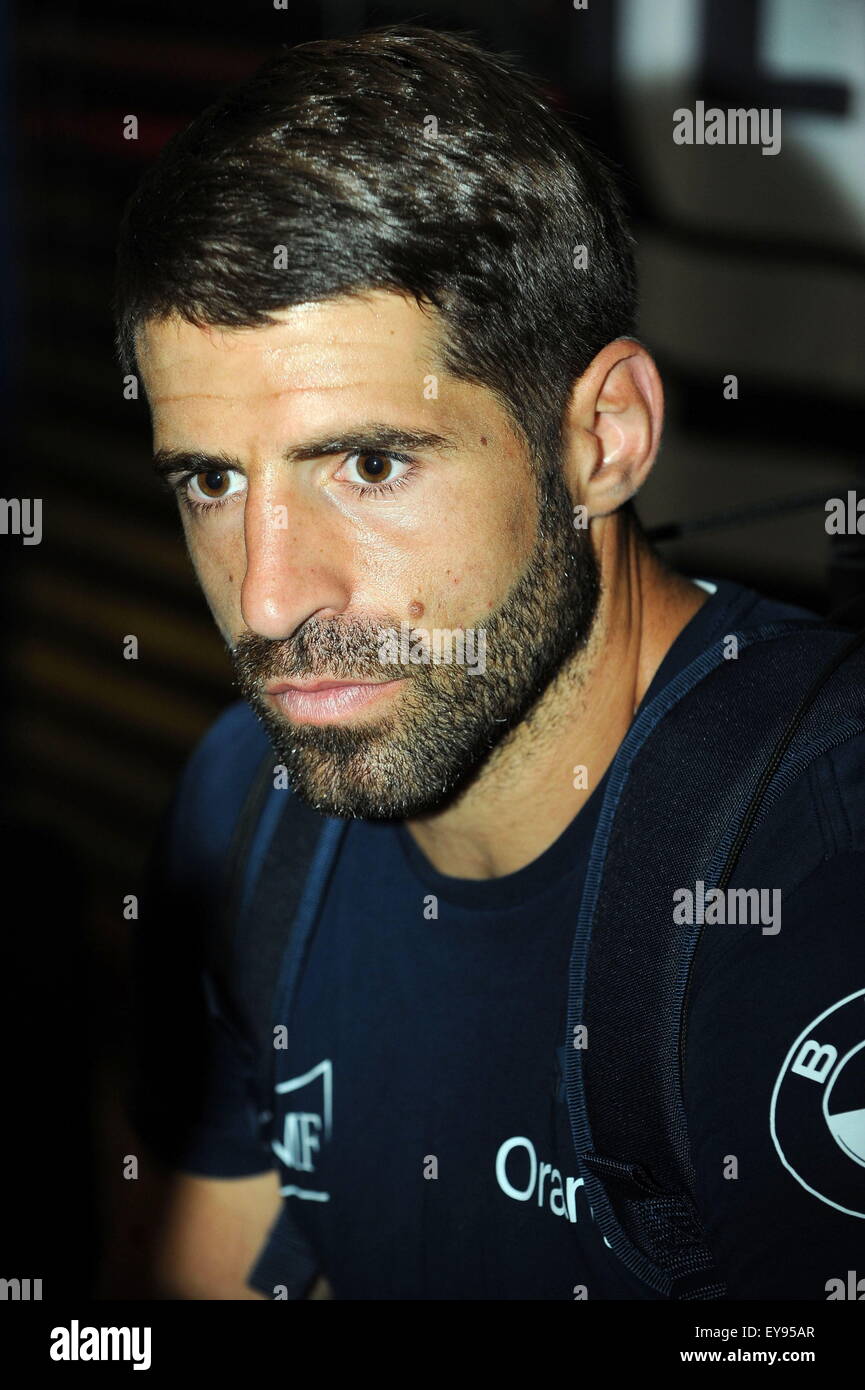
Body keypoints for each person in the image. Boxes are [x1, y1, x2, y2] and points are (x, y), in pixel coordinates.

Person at [108, 26, 865, 1301]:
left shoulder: (816, 876)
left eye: (369, 465)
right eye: (213, 480)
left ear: (603, 440)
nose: (271, 596)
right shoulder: (245, 807)